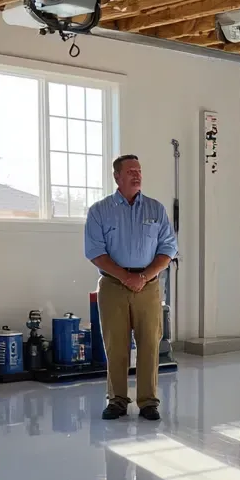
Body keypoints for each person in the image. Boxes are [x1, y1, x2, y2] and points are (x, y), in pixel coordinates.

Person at [84, 155, 178, 421]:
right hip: (113, 285)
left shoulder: (155, 210)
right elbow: (95, 252)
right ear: (116, 177)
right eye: (130, 171)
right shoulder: (100, 211)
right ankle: (117, 400)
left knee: (150, 342)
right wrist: (125, 277)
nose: (137, 175)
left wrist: (145, 276)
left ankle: (148, 401)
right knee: (116, 345)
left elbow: (168, 248)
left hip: (148, 286)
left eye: (139, 171)